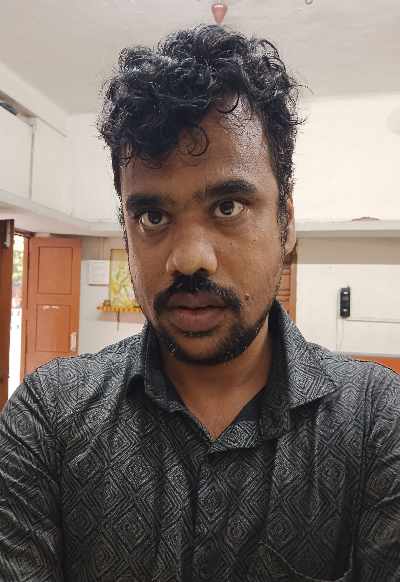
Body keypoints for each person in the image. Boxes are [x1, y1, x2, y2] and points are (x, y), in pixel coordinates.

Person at [0, 25, 399, 582]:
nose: (189, 259)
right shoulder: (49, 418)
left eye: (228, 207)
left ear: (286, 222)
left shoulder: (378, 422)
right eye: (153, 216)